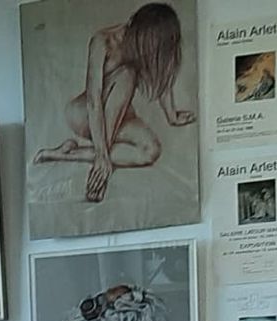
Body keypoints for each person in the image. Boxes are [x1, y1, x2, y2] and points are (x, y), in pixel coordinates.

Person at [32, 2, 197, 203]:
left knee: (150, 151)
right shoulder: (104, 42)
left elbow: (161, 75)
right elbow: (94, 99)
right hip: (84, 114)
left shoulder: (146, 49)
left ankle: (62, 154)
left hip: (121, 115)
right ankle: (101, 170)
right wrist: (101, 154)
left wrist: (172, 115)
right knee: (128, 74)